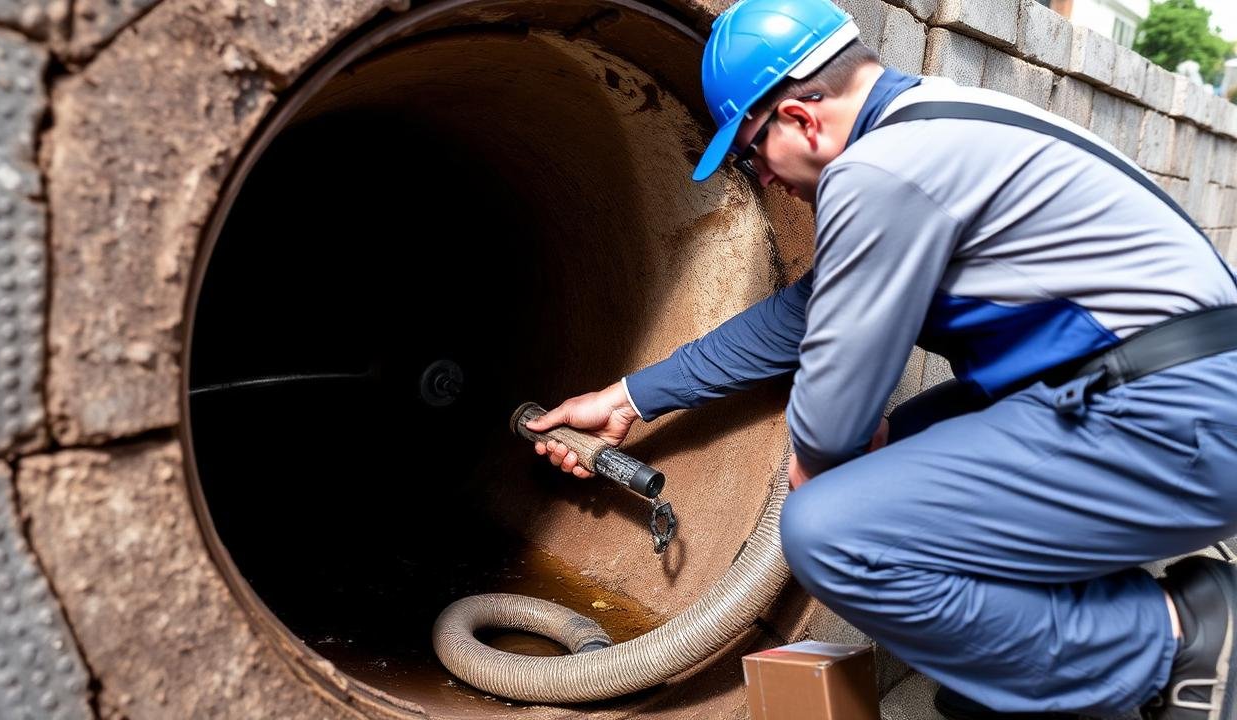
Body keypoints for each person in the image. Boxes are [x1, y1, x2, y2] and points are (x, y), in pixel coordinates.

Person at [523, 0, 1237, 717]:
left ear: (801, 118)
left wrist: (822, 469)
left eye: (749, 153)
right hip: (1161, 389)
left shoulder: (881, 170)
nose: (762, 178)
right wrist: (626, 397)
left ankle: (1175, 643)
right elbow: (800, 318)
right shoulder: (932, 122)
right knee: (904, 452)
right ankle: (1042, 667)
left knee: (830, 532)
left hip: (1174, 412)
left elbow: (830, 427)